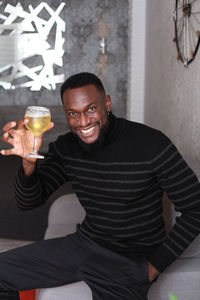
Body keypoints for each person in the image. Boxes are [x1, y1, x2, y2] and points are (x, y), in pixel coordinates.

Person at [1, 72, 200, 300]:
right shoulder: (67, 147)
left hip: (131, 257)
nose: (83, 122)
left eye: (91, 109)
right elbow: (28, 201)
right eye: (73, 114)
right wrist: (28, 162)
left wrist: (154, 266)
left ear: (106, 103)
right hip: (86, 244)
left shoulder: (151, 144)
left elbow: (196, 209)